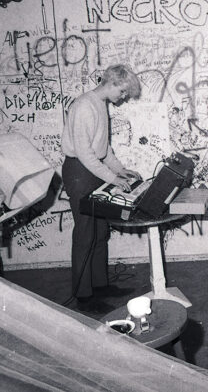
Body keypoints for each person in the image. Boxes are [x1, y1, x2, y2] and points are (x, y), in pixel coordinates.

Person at [61, 64, 142, 314]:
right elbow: (85, 153)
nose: (124, 97)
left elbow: (103, 149)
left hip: (93, 171)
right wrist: (112, 178)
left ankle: (100, 284)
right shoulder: (85, 105)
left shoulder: (100, 104)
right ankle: (84, 296)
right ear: (113, 83)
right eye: (124, 91)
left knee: (99, 230)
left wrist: (120, 170)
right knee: (85, 233)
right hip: (79, 173)